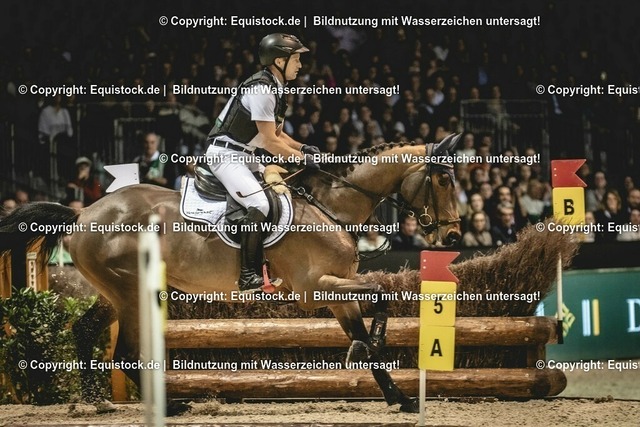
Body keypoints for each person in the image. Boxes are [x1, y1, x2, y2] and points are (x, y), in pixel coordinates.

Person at [205, 33, 319, 292]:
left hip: (245, 156)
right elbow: (269, 142)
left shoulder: (277, 87)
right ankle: (248, 275)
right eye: (296, 59)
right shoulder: (263, 89)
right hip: (226, 156)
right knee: (259, 203)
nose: (300, 65)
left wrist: (302, 147)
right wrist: (302, 159)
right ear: (280, 61)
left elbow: (278, 134)